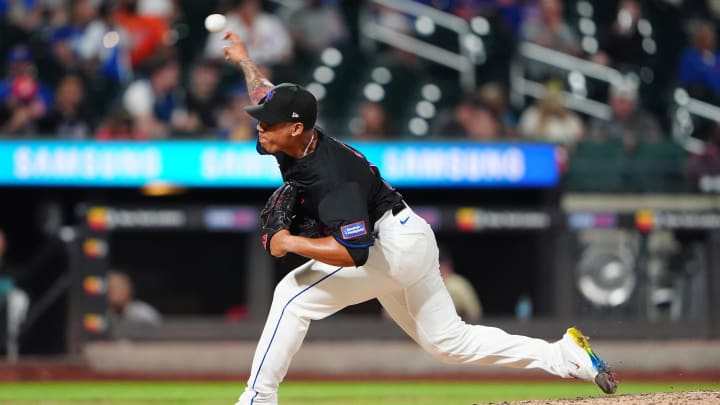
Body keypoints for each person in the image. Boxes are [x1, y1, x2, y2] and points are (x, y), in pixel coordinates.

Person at [221, 31, 618, 405]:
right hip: (409, 236)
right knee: (449, 344)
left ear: (295, 128)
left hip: (389, 245)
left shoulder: (331, 177)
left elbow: (354, 251)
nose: (258, 125)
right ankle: (565, 356)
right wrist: (245, 60)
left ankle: (257, 399)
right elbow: (265, 92)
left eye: (267, 122)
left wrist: (289, 242)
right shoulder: (293, 137)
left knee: (292, 295)